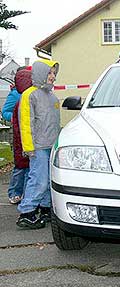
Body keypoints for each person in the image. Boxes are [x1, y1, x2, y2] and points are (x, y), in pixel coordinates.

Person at [17, 59, 60, 229]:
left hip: (51, 146)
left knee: (48, 180)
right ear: (41, 73)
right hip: (39, 147)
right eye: (50, 73)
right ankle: (27, 212)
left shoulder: (52, 96)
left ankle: (44, 207)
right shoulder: (30, 95)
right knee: (39, 179)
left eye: (54, 73)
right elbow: (26, 123)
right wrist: (29, 147)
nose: (53, 77)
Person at [1, 66, 29, 204]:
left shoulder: (33, 92)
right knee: (20, 165)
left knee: (30, 166)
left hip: (31, 132)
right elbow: (5, 112)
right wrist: (17, 118)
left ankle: (26, 192)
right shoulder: (15, 94)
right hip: (18, 133)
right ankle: (14, 192)